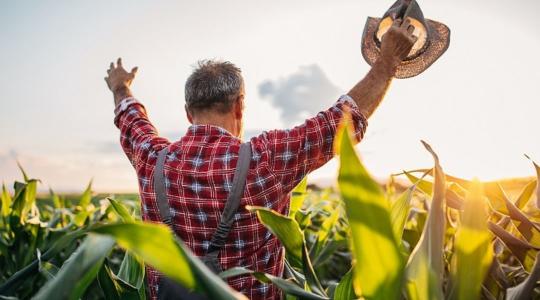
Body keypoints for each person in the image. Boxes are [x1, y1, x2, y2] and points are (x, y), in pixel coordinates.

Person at [105, 18, 416, 300]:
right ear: (240, 106)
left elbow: (131, 118)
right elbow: (342, 121)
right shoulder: (264, 160)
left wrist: (121, 85)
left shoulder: (151, 158)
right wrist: (388, 61)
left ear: (189, 113)